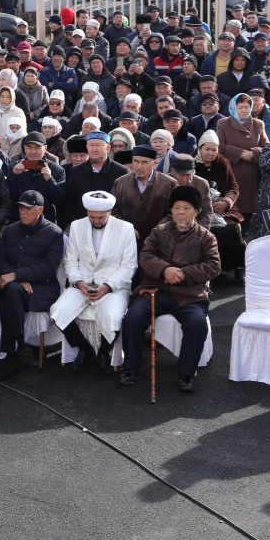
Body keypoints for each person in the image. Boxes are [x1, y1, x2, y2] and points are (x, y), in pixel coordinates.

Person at [119, 185, 221, 392]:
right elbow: (145, 256)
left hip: (189, 296)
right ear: (171, 210)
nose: (180, 212)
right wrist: (165, 270)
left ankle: (186, 373)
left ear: (196, 211)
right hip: (155, 291)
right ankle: (131, 367)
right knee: (132, 318)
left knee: (197, 323)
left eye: (186, 208)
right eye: (176, 208)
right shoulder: (159, 231)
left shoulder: (206, 237)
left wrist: (183, 273)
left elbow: (214, 266)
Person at [50, 191, 137, 370]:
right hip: (82, 284)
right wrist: (78, 283)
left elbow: (129, 265)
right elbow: (71, 261)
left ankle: (105, 351)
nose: (96, 221)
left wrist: (107, 286)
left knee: (113, 315)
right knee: (57, 311)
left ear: (110, 212)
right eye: (92, 217)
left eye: (101, 217)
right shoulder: (76, 226)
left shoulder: (126, 228)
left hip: (114, 286)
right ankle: (85, 349)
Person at [0, 190, 63, 378]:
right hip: (14, 283)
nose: (23, 212)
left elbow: (48, 267)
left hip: (41, 287)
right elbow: (0, 259)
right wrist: (17, 277)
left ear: (40, 210)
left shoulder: (54, 233)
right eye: (21, 208)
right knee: (12, 292)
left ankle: (13, 352)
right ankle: (20, 348)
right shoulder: (10, 230)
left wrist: (16, 275)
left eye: (28, 209)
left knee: (10, 293)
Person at [112, 144, 178, 247]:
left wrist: (156, 233)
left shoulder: (169, 184)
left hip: (159, 243)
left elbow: (173, 213)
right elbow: (113, 210)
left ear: (154, 163)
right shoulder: (120, 183)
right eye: (136, 161)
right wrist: (126, 228)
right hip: (126, 241)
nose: (139, 167)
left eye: (144, 162)